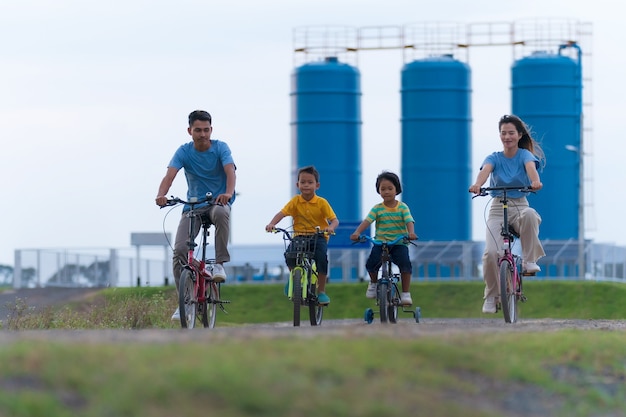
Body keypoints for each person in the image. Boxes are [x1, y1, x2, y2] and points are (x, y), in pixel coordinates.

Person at [155, 110, 236, 320]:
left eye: (206, 130)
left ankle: (219, 263)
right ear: (190, 131)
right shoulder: (183, 151)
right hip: (192, 206)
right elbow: (169, 175)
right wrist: (161, 195)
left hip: (218, 201)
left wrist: (227, 193)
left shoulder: (221, 148)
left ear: (211, 129)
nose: (202, 134)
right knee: (179, 251)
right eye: (198, 130)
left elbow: (230, 172)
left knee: (221, 213)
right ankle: (184, 302)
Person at [469, 114, 546, 314]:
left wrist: (535, 182)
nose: (507, 137)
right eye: (503, 133)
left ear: (519, 135)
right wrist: (478, 184)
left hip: (520, 203)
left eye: (511, 133)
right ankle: (492, 296)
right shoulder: (494, 157)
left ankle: (529, 261)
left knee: (530, 215)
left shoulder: (525, 156)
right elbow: (485, 171)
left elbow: (531, 170)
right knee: (490, 254)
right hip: (497, 206)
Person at [265, 165, 339, 305]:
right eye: (303, 182)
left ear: (317, 185)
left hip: (318, 236)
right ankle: (294, 278)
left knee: (322, 259)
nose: (306, 185)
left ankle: (321, 291)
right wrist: (272, 224)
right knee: (289, 255)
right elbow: (282, 213)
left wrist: (330, 227)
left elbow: (335, 220)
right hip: (299, 236)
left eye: (310, 182)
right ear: (297, 184)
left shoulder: (321, 202)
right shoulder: (295, 201)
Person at [350, 171, 418, 306]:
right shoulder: (377, 209)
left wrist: (411, 233)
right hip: (380, 242)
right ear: (378, 191)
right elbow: (367, 221)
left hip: (398, 243)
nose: (386, 192)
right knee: (371, 264)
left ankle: (405, 293)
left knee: (405, 265)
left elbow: (409, 220)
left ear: (396, 189)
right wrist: (357, 232)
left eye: (390, 188)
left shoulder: (402, 207)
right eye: (383, 189)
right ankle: (374, 283)